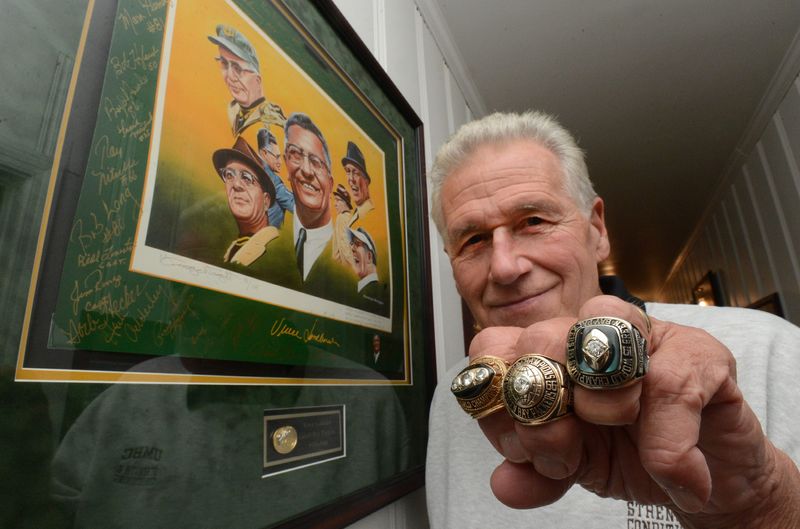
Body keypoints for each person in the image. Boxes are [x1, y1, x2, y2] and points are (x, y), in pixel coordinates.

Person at [425, 111, 800, 528]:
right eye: (473, 239)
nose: (505, 267)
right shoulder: (453, 394)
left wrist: (759, 509)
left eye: (534, 221)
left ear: (597, 230)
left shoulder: (768, 349)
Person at [208, 24, 286, 138]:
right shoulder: (233, 109)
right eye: (224, 63)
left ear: (257, 81)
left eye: (238, 69)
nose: (229, 76)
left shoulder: (271, 126)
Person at [212, 136, 277, 266]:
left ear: (266, 201)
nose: (236, 184)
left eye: (247, 178)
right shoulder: (233, 248)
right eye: (229, 175)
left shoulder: (275, 249)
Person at [257, 128, 294, 228]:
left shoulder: (254, 169)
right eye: (276, 157)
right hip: (268, 237)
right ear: (264, 153)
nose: (280, 162)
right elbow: (295, 206)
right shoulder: (273, 180)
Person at [348, 227, 387, 311]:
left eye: (357, 244)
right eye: (351, 244)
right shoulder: (364, 290)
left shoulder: (374, 292)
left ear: (369, 257)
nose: (352, 249)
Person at [341, 141, 374, 226]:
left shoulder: (370, 215)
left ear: (366, 181)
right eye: (348, 171)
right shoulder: (357, 214)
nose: (351, 179)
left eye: (355, 172)